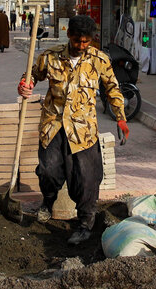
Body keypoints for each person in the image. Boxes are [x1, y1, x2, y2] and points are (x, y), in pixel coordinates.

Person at [17, 15, 130, 245]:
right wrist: (24, 86)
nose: (81, 46)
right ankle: (48, 202)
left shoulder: (99, 60)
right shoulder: (49, 58)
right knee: (48, 171)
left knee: (87, 179)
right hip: (54, 126)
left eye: (86, 42)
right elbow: (31, 77)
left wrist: (121, 118)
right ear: (69, 35)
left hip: (83, 131)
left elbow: (112, 88)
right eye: (78, 41)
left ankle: (85, 224)